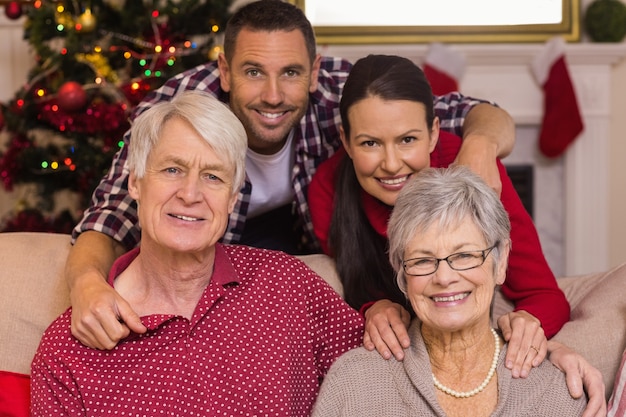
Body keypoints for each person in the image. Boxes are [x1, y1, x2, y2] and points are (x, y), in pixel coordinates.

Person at [65, 0, 516, 351]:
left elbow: (479, 114)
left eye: (292, 73)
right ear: (224, 70)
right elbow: (114, 215)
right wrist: (86, 282)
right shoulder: (177, 110)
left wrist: (479, 144)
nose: (274, 95)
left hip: (308, 237)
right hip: (220, 242)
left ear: (315, 72)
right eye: (254, 72)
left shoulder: (343, 91)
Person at [30, 90, 364, 416]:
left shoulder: (284, 284)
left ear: (232, 199)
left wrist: (380, 309)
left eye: (213, 176)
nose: (191, 194)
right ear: (135, 183)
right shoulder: (68, 348)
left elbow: (379, 373)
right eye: (172, 169)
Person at [308, 54, 605, 416]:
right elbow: (357, 279)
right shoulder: (328, 189)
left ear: (433, 133)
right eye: (370, 143)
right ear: (346, 140)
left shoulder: (476, 174)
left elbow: (542, 292)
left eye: (407, 139)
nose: (390, 163)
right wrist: (373, 306)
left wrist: (533, 326)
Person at [312, 166, 587, 417]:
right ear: (401, 272)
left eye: (465, 255)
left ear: (500, 262)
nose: (444, 278)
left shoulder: (554, 386)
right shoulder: (354, 381)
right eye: (422, 260)